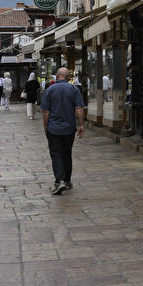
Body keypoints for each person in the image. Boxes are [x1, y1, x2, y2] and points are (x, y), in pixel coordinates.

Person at [41, 67, 85, 195]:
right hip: (69, 129)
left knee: (56, 154)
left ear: (57, 76)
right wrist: (81, 125)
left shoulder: (50, 90)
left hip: (53, 129)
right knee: (67, 153)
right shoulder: (73, 89)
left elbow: (45, 111)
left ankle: (59, 180)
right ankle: (67, 180)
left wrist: (46, 127)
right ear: (67, 77)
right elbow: (79, 108)